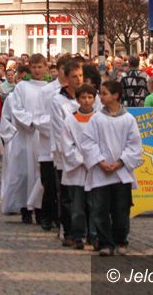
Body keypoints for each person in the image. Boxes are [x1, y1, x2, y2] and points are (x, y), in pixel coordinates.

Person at [80, 80, 143, 256]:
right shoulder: (96, 119)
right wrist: (100, 161)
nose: (100, 97)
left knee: (121, 209)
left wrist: (120, 162)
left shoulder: (128, 119)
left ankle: (121, 240)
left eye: (104, 93)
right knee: (100, 210)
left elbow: (135, 145)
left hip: (121, 173)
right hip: (101, 173)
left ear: (115, 96)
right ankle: (105, 242)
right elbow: (88, 142)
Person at [10, 54, 48, 224]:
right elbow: (17, 109)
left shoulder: (50, 88)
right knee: (25, 173)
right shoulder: (22, 87)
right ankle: (25, 208)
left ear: (46, 67)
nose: (37, 70)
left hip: (43, 136)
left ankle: (41, 209)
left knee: (41, 174)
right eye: (34, 67)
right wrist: (31, 122)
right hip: (27, 135)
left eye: (40, 67)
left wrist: (43, 124)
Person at [51, 59, 84, 244]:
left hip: (86, 155)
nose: (78, 80)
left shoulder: (89, 97)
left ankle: (84, 231)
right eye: (74, 76)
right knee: (66, 196)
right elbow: (59, 132)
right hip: (65, 155)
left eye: (80, 76)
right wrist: (72, 155)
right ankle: (68, 231)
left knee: (84, 195)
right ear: (66, 78)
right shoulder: (58, 100)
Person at [60, 84, 97, 249]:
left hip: (95, 168)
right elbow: (66, 145)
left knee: (95, 205)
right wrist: (82, 159)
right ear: (77, 100)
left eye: (90, 97)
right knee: (77, 206)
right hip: (77, 170)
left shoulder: (99, 119)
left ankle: (94, 235)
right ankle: (78, 235)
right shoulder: (70, 120)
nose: (86, 101)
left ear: (94, 99)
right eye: (83, 97)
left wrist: (94, 159)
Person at [37, 56, 67, 232]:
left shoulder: (77, 92)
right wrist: (56, 127)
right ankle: (47, 216)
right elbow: (38, 117)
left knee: (64, 185)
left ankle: (61, 218)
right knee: (48, 183)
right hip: (48, 145)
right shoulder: (47, 91)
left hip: (68, 147)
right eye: (64, 69)